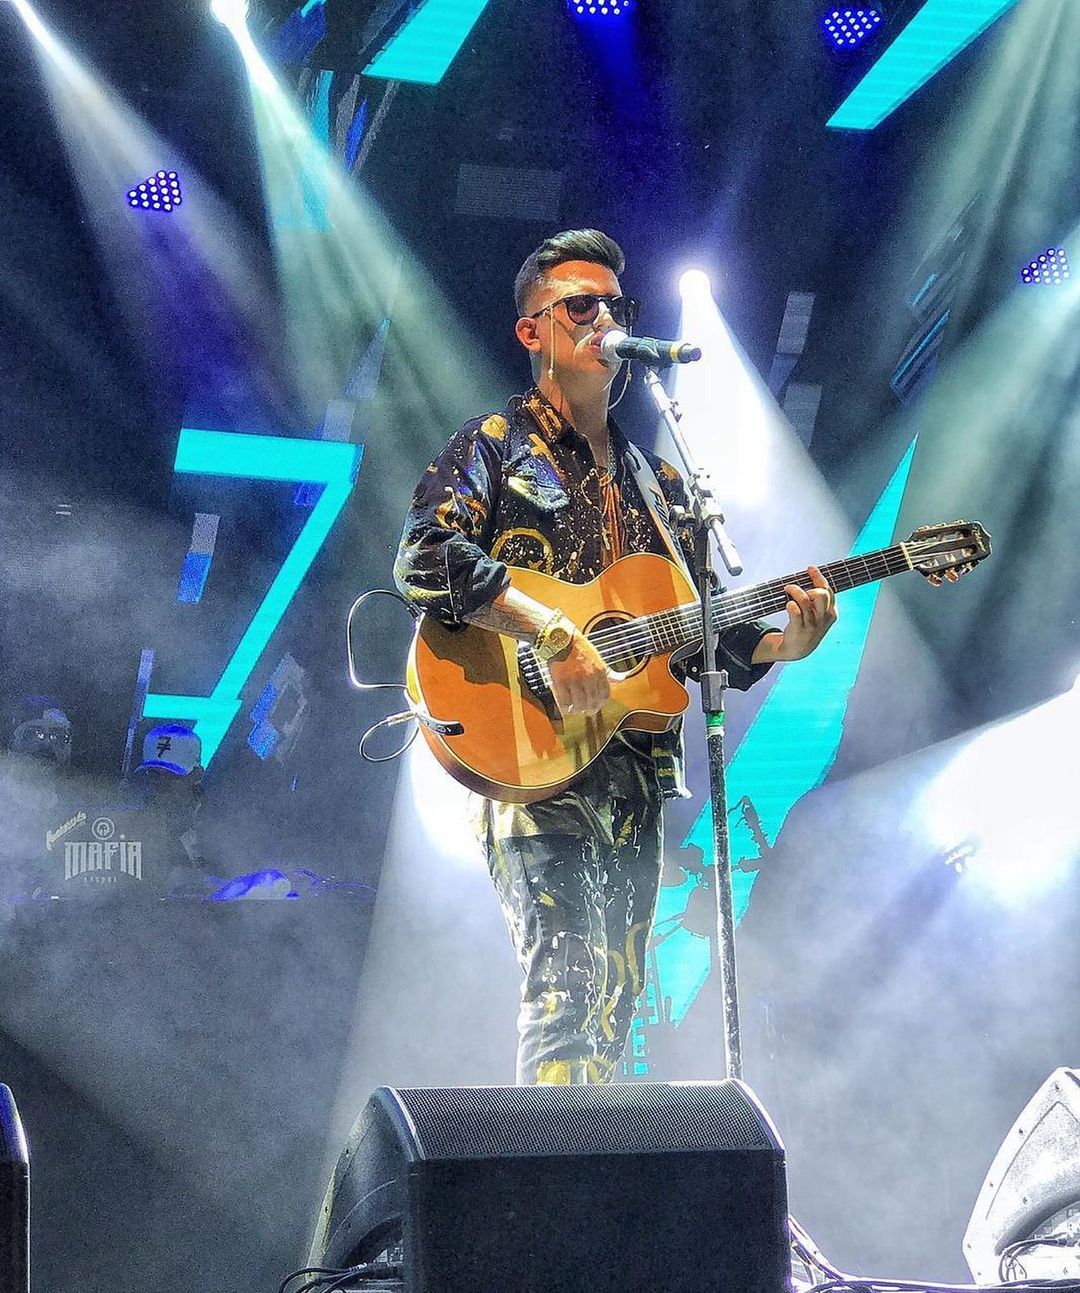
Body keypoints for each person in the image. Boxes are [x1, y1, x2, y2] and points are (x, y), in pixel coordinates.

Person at [394, 229, 837, 1085]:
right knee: (565, 982)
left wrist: (789, 641)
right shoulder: (495, 445)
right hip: (527, 745)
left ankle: (592, 1158)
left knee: (618, 1000)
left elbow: (705, 631)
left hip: (634, 769)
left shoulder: (658, 486)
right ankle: (553, 1168)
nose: (604, 319)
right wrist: (549, 630)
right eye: (581, 306)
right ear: (532, 331)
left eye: (616, 306)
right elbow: (422, 554)